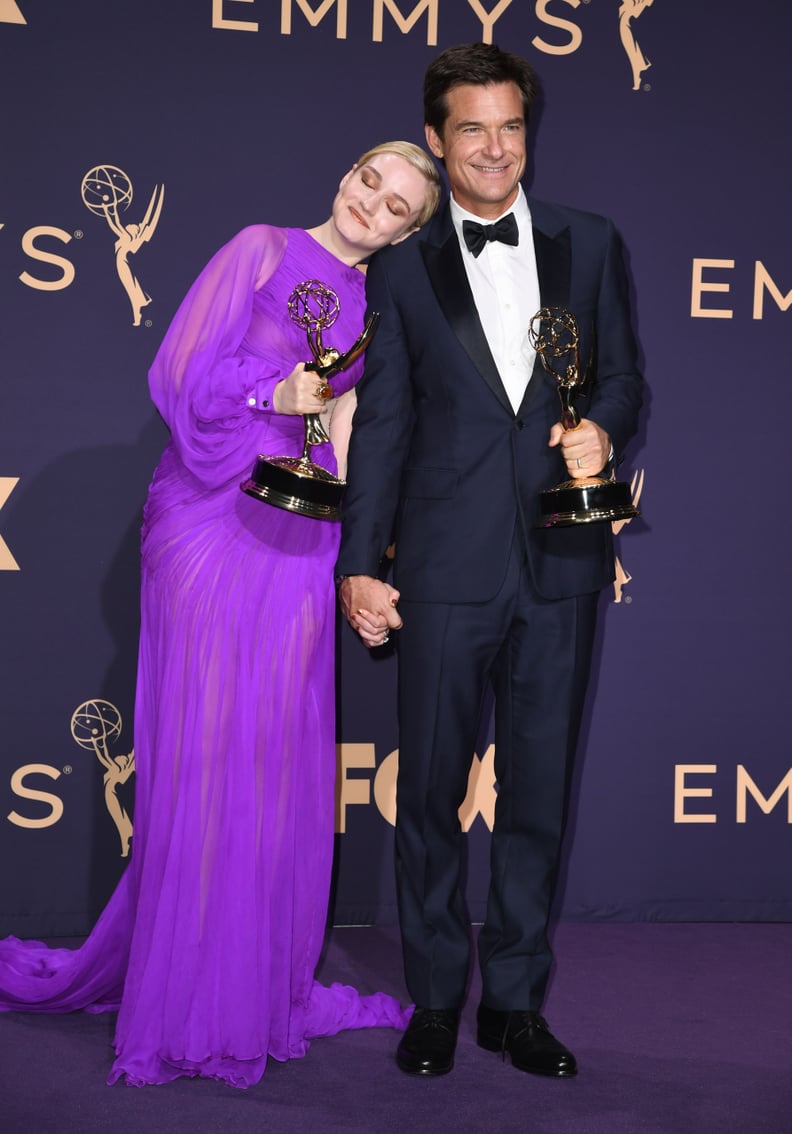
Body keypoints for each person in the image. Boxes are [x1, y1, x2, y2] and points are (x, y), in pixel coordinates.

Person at [0, 141, 440, 1088]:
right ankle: (182, 990)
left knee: (273, 756)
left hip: (302, 536)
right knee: (202, 753)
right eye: (371, 178)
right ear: (348, 173)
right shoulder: (262, 249)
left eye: (398, 204)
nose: (373, 203)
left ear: (411, 229)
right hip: (206, 520)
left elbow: (354, 429)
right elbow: (178, 373)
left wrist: (362, 549)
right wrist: (267, 392)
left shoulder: (381, 308)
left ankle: (254, 985)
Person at [336, 44, 644, 1078]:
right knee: (426, 796)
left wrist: (600, 428)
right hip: (440, 564)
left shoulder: (589, 244)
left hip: (560, 561)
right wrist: (359, 562)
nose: (496, 147)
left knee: (539, 795)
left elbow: (624, 381)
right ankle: (433, 1001)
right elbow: (379, 427)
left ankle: (514, 1004)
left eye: (511, 126)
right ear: (437, 138)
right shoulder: (400, 271)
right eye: (473, 128)